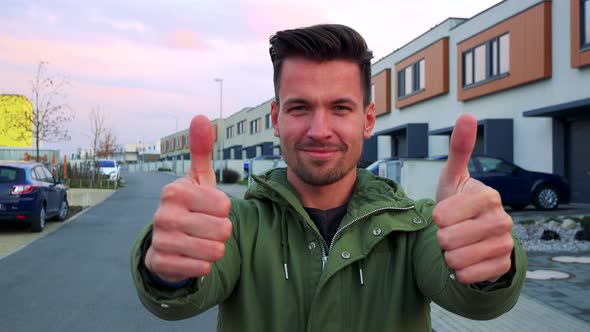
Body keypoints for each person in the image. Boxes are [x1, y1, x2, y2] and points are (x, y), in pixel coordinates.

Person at [131, 24, 526, 331]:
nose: (319, 129)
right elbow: (181, 301)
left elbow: (473, 301)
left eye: (340, 107)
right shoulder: (235, 226)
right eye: (300, 107)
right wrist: (167, 272)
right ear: (276, 118)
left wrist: (492, 268)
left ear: (368, 120)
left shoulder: (416, 228)